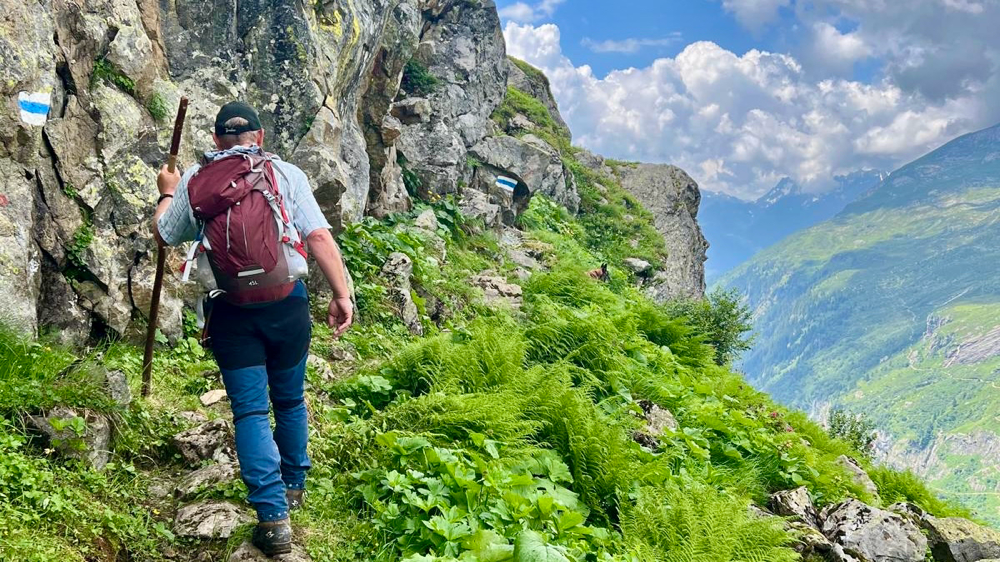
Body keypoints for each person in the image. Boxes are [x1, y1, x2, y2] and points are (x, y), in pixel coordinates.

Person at [153, 101, 353, 556]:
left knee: (249, 413)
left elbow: (165, 234)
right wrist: (342, 295)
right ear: (259, 138)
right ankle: (294, 484)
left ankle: (272, 518)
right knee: (289, 399)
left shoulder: (194, 181)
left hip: (232, 314)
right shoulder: (287, 175)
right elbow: (319, 236)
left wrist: (166, 191)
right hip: (287, 307)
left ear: (217, 140)